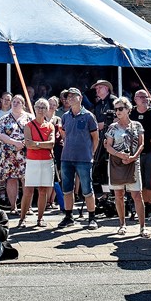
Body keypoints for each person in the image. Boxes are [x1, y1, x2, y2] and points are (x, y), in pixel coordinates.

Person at [103, 97, 147, 237]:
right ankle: (122, 224)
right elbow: (108, 146)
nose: (118, 112)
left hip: (133, 162)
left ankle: (142, 227)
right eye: (116, 109)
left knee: (136, 195)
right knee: (119, 194)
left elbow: (141, 144)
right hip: (117, 163)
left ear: (128, 109)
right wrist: (120, 155)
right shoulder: (112, 127)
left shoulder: (137, 125)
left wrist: (134, 157)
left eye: (121, 108)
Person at [57, 88, 99, 229]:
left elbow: (95, 138)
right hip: (67, 157)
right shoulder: (65, 116)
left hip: (84, 159)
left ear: (80, 97)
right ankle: (69, 217)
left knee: (87, 189)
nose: (69, 98)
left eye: (72, 96)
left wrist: (90, 153)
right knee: (67, 189)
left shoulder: (88, 116)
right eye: (67, 96)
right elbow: (63, 132)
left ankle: (92, 218)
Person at [20, 98, 55, 227]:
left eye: (43, 107)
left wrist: (37, 144)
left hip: (47, 161)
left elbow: (51, 144)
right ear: (34, 109)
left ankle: (40, 218)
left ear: (47, 110)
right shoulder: (28, 125)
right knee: (28, 190)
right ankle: (22, 218)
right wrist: (42, 145)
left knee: (43, 191)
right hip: (32, 160)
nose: (40, 110)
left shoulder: (50, 126)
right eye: (38, 107)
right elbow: (28, 144)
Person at [0, 95, 32, 213]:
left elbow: (34, 134)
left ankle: (27, 207)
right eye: (14, 102)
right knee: (11, 179)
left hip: (25, 153)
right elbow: (0, 134)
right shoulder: (4, 118)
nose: (15, 104)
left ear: (23, 104)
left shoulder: (29, 118)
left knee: (26, 179)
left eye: (18, 102)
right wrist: (14, 142)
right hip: (8, 154)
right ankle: (13, 207)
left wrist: (23, 143)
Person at [131, 90, 151, 215]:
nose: (144, 99)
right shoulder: (131, 113)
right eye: (141, 97)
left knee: (149, 180)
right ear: (135, 99)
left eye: (146, 96)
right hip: (135, 152)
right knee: (138, 181)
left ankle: (150, 206)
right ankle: (140, 206)